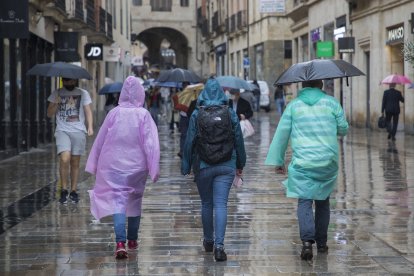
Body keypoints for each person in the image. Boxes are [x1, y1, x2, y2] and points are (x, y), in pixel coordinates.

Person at [265, 79, 348, 261]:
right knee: (323, 201)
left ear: (303, 86)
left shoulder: (294, 105)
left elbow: (282, 133)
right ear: (321, 86)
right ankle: (322, 243)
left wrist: (278, 160)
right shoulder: (332, 102)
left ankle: (307, 243)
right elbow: (343, 129)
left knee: (304, 201)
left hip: (303, 162)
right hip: (327, 161)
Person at [85, 76, 160, 259]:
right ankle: (133, 239)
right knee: (134, 200)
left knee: (118, 202)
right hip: (137, 167)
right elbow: (152, 144)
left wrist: (93, 163)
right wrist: (154, 168)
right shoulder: (143, 115)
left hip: (113, 166)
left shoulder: (113, 113)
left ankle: (120, 242)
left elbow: (101, 140)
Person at [181, 78, 246, 262]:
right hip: (226, 165)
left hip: (203, 166)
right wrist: (240, 163)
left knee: (206, 204)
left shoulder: (196, 114)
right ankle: (219, 246)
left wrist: (186, 165)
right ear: (221, 93)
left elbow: (189, 142)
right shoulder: (230, 113)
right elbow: (239, 141)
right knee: (221, 204)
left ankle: (208, 241)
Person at [47, 77, 94, 204]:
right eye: (66, 81)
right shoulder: (56, 93)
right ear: (63, 80)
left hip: (78, 131)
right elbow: (49, 114)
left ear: (76, 81)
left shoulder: (83, 93)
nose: (69, 83)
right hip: (62, 130)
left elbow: (88, 111)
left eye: (71, 81)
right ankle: (64, 189)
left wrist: (90, 126)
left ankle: (73, 191)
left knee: (75, 162)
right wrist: (55, 103)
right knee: (64, 158)